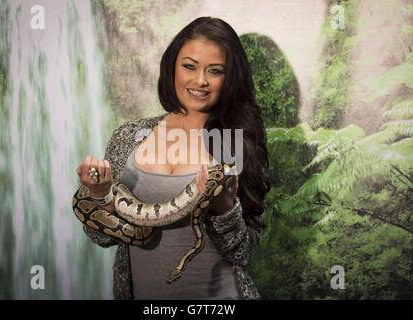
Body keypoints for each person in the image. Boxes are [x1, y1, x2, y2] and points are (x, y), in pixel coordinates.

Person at [75, 16, 272, 300]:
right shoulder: (128, 137)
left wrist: (225, 207)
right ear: (172, 67)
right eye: (189, 66)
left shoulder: (235, 144)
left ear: (230, 78)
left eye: (215, 71)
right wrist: (99, 195)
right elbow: (102, 237)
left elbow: (244, 252)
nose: (200, 80)